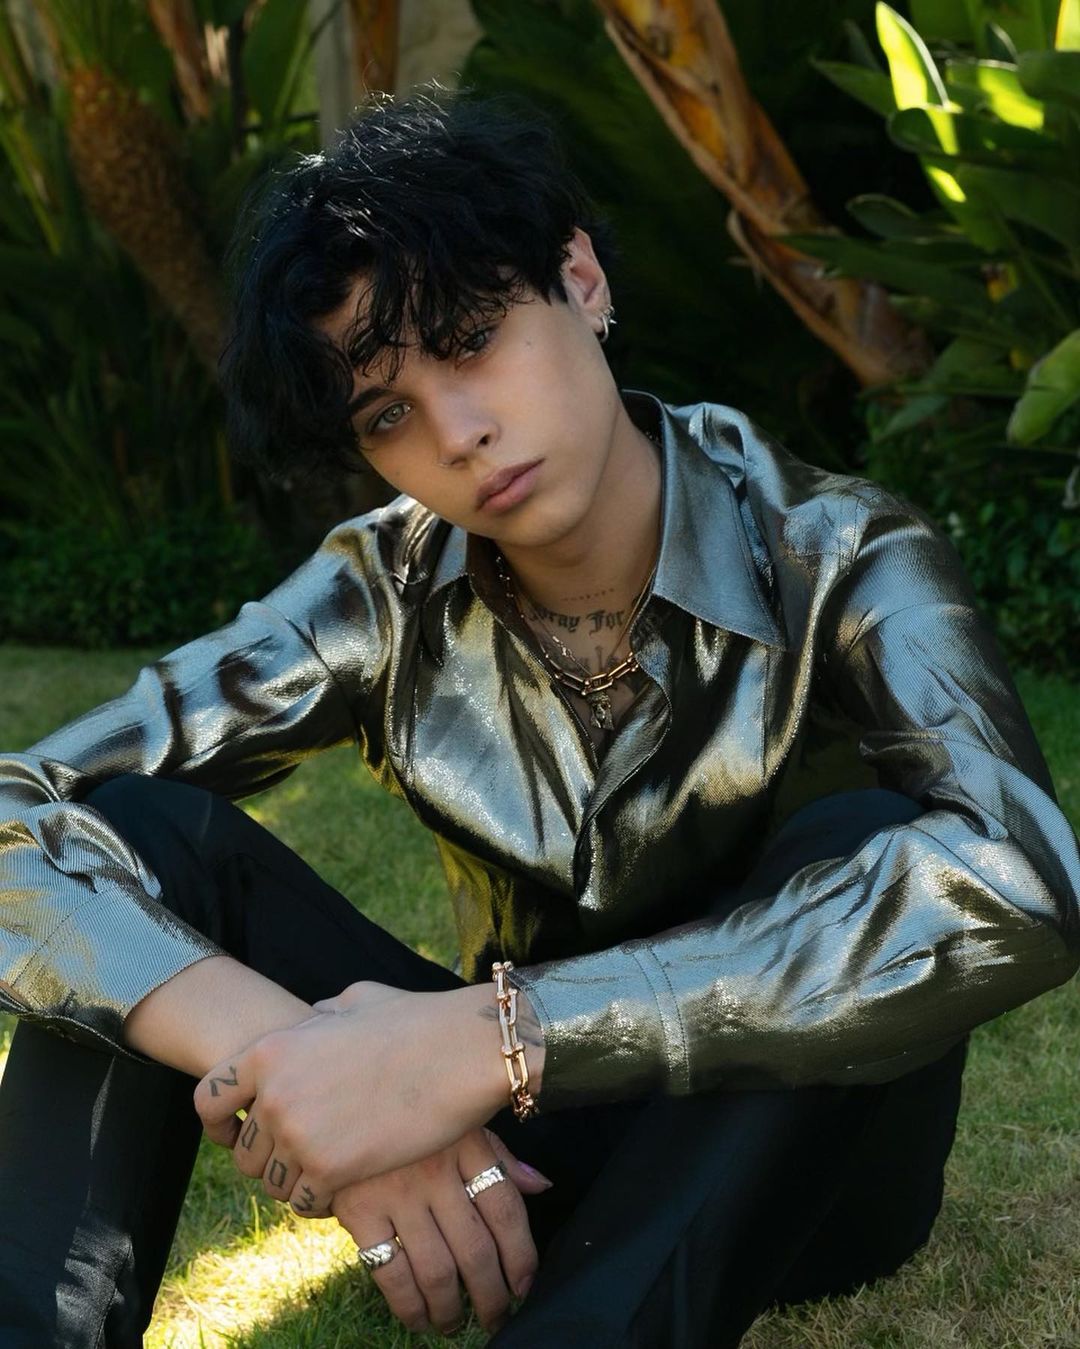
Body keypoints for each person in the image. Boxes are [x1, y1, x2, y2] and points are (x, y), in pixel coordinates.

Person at [0, 89, 1077, 1349]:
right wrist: (302, 1054)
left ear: (581, 278)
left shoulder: (838, 553)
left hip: (808, 1161)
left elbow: (1020, 875)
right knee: (132, 828)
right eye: (388, 413)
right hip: (526, 1159)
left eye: (471, 338)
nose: (459, 433)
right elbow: (16, 813)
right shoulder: (376, 595)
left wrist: (504, 1035)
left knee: (870, 838)